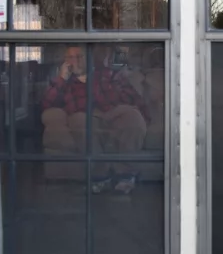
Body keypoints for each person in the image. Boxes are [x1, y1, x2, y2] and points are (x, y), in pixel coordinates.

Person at [41, 45, 149, 193]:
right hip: (84, 114)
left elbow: (133, 97)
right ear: (65, 61)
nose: (76, 61)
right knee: (79, 121)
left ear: (89, 58)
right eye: (71, 57)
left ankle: (125, 174)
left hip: (114, 111)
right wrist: (62, 79)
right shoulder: (64, 81)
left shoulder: (108, 74)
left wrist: (140, 113)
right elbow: (47, 103)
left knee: (134, 117)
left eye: (80, 56)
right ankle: (101, 176)